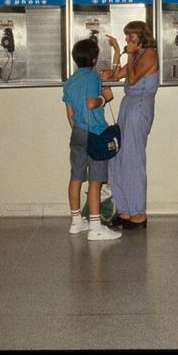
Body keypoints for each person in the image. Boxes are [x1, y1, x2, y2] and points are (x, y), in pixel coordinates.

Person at [100, 21, 158, 230]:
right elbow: (119, 75)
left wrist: (130, 54)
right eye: (126, 37)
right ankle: (125, 210)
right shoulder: (137, 54)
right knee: (118, 156)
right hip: (128, 105)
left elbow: (132, 79)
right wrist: (116, 55)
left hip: (139, 107)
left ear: (141, 37)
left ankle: (138, 214)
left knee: (133, 159)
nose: (128, 41)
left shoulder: (149, 53)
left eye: (131, 37)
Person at [64, 38, 122, 241]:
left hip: (78, 132)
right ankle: (96, 226)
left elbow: (70, 112)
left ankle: (76, 221)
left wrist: (78, 130)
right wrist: (105, 98)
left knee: (76, 177)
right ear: (95, 59)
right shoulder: (93, 78)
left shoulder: (70, 80)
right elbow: (90, 103)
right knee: (96, 181)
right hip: (95, 133)